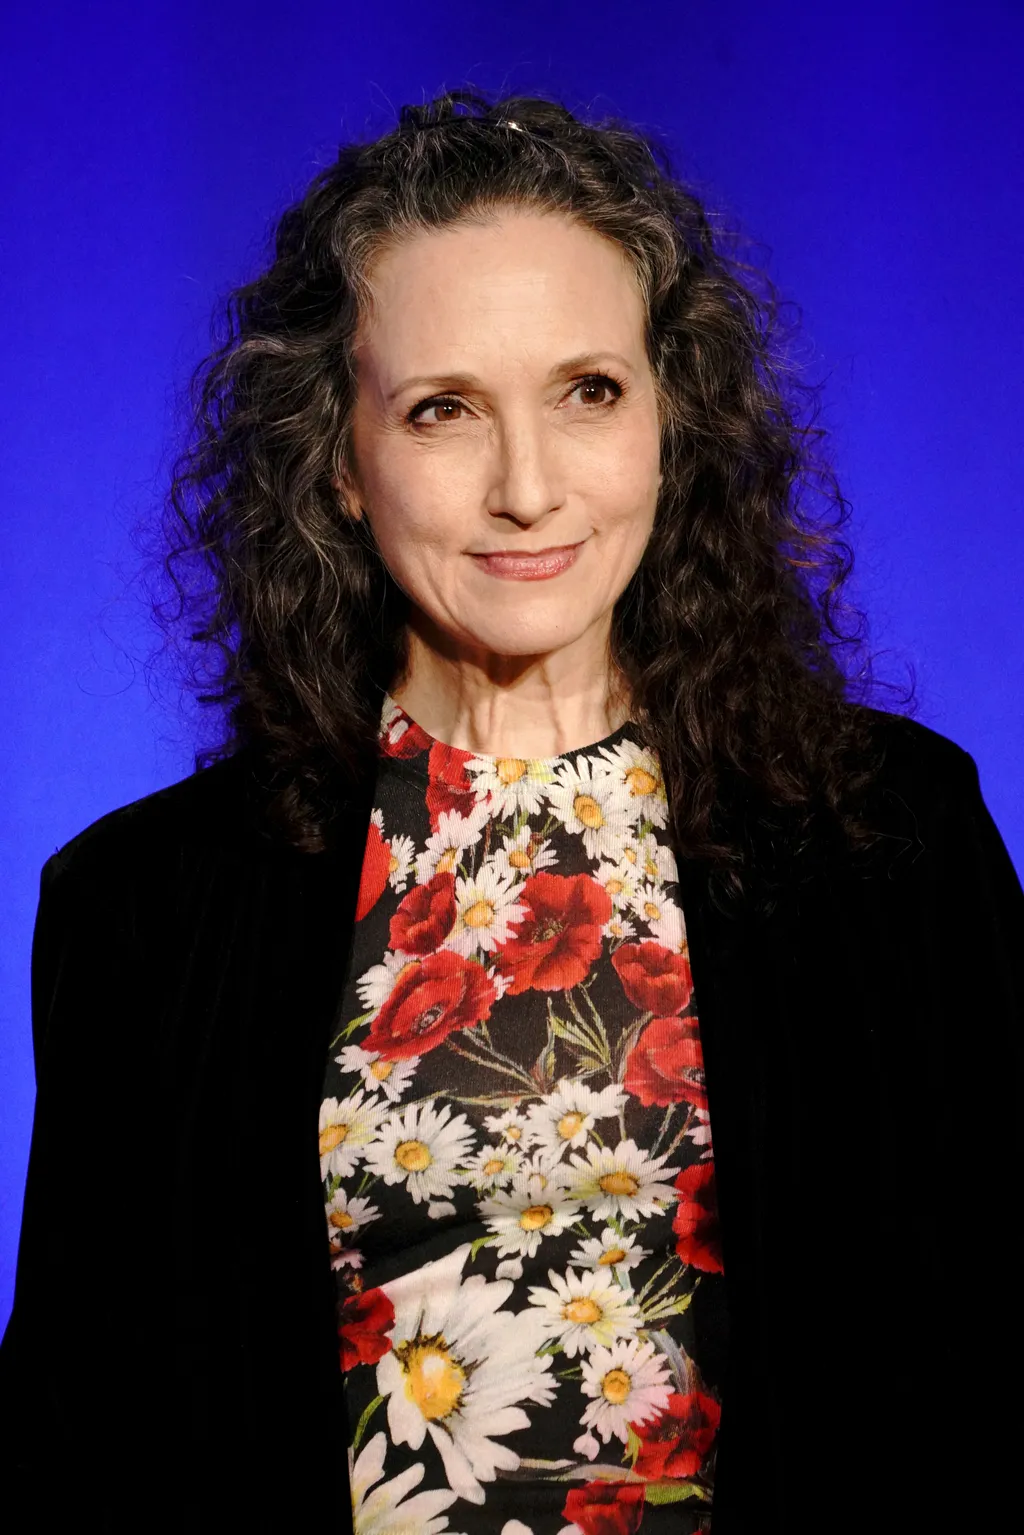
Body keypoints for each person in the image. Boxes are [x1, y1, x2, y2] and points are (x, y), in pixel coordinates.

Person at [1, 87, 1020, 1535]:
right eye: (443, 410)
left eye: (588, 390)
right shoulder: (146, 905)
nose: (529, 487)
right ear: (341, 464)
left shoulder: (896, 838)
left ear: (675, 419)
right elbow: (76, 1441)